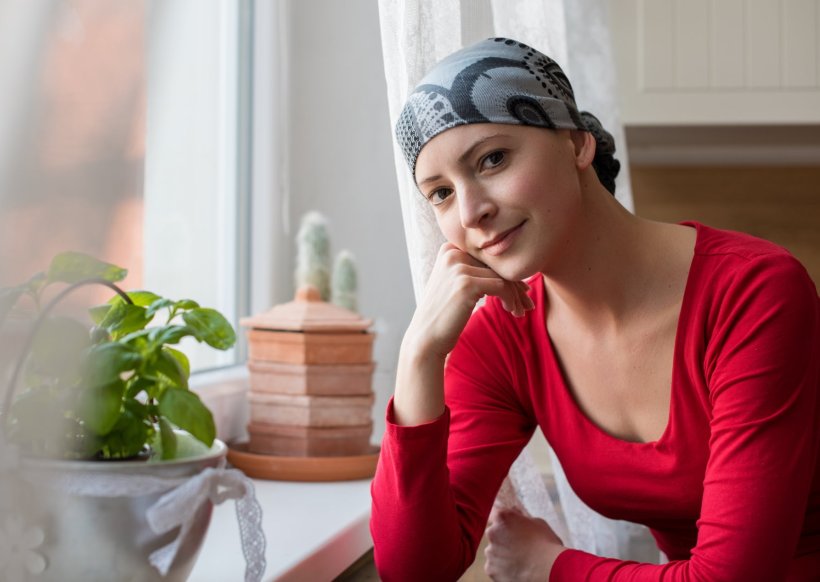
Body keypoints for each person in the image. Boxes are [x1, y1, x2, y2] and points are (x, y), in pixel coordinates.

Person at [370, 37, 820, 581]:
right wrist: (418, 357)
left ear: (576, 145)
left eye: (493, 159)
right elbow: (413, 570)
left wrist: (552, 566)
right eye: (440, 193)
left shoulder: (753, 293)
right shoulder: (502, 336)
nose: (472, 212)